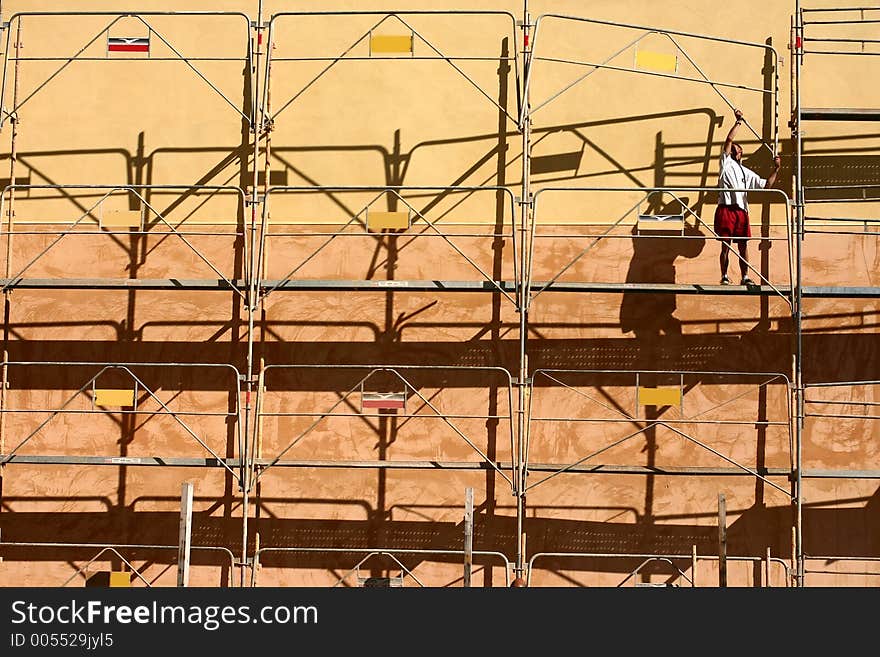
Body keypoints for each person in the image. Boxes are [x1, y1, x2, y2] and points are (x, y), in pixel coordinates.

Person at [714, 108, 781, 285]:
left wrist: (776, 169)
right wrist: (738, 122)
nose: (736, 149)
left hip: (741, 211)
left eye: (738, 149)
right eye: (735, 148)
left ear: (741, 154)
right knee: (726, 245)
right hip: (726, 208)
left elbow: (766, 185)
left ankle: (745, 277)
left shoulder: (746, 172)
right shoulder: (725, 162)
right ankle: (725, 276)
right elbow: (729, 139)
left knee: (743, 246)